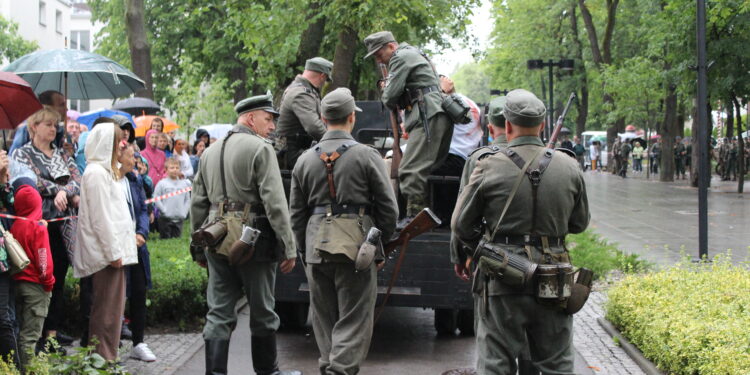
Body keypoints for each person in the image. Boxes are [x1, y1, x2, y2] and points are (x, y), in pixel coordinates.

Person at [451, 89, 589, 374]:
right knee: (557, 365)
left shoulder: (487, 165)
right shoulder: (569, 166)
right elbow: (579, 223)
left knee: (496, 364)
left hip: (503, 276)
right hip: (555, 278)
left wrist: (484, 248)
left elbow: (461, 224)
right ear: (542, 126)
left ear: (508, 126)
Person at [290, 88, 398, 375]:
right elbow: (389, 209)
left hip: (315, 245)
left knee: (323, 318)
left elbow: (296, 215)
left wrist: (304, 249)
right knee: (355, 318)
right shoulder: (367, 155)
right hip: (357, 245)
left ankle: (329, 366)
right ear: (352, 117)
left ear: (323, 118)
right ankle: (339, 370)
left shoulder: (303, 160)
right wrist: (379, 244)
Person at [190, 94, 300, 375]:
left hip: (214, 238)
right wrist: (288, 246)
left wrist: (197, 246)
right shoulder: (260, 149)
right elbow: (275, 203)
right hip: (254, 241)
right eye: (268, 118)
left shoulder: (209, 152)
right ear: (251, 118)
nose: (272, 125)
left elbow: (198, 203)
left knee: (218, 312)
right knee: (263, 311)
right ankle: (268, 372)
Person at [364, 31, 453, 223]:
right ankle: (422, 216)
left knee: (410, 169)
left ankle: (415, 219)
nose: (379, 61)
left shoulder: (400, 57)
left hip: (427, 114)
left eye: (380, 54)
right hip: (433, 112)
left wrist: (387, 88)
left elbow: (389, 97)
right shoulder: (413, 53)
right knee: (420, 168)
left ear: (391, 46)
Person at [12, 107, 81, 350]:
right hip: (36, 225)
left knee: (58, 278)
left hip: (63, 227)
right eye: (48, 124)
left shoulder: (61, 154)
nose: (53, 129)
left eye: (55, 125)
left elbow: (77, 179)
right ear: (34, 126)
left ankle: (52, 334)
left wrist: (68, 191)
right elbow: (30, 181)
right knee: (36, 278)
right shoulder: (22, 154)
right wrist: (59, 190)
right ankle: (36, 334)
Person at [72, 123, 137, 361]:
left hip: (111, 253)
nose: (120, 147)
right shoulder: (97, 174)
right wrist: (113, 252)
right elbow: (102, 219)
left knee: (112, 311)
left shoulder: (102, 171)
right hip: (106, 256)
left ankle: (104, 358)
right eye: (117, 142)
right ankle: (103, 359)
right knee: (107, 312)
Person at [10, 177, 54, 366]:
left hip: (17, 283)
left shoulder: (14, 226)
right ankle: (30, 370)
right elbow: (44, 260)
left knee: (20, 331)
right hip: (36, 287)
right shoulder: (38, 228)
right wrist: (48, 282)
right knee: (30, 337)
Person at [119, 143, 156, 362]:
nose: (136, 160)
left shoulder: (135, 180)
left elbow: (143, 208)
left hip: (138, 247)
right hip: (119, 246)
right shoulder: (110, 181)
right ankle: (110, 344)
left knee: (140, 292)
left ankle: (139, 342)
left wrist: (142, 233)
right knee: (117, 296)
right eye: (132, 156)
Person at [277, 57, 333, 169]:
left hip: (298, 150)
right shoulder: (301, 94)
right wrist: (334, 141)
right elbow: (314, 127)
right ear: (322, 76)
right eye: (325, 79)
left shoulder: (301, 89)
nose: (324, 83)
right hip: (293, 153)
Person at [0, 153, 20, 370]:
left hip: (1, 259)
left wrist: (3, 177)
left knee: (3, 320)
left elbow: (10, 205)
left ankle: (13, 370)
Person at [153, 158, 191, 239]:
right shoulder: (162, 184)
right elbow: (156, 198)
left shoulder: (184, 184)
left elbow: (187, 199)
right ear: (166, 170)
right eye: (172, 168)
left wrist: (184, 212)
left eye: (177, 168)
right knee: (165, 240)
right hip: (165, 219)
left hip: (179, 219)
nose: (175, 170)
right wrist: (163, 210)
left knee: (176, 240)